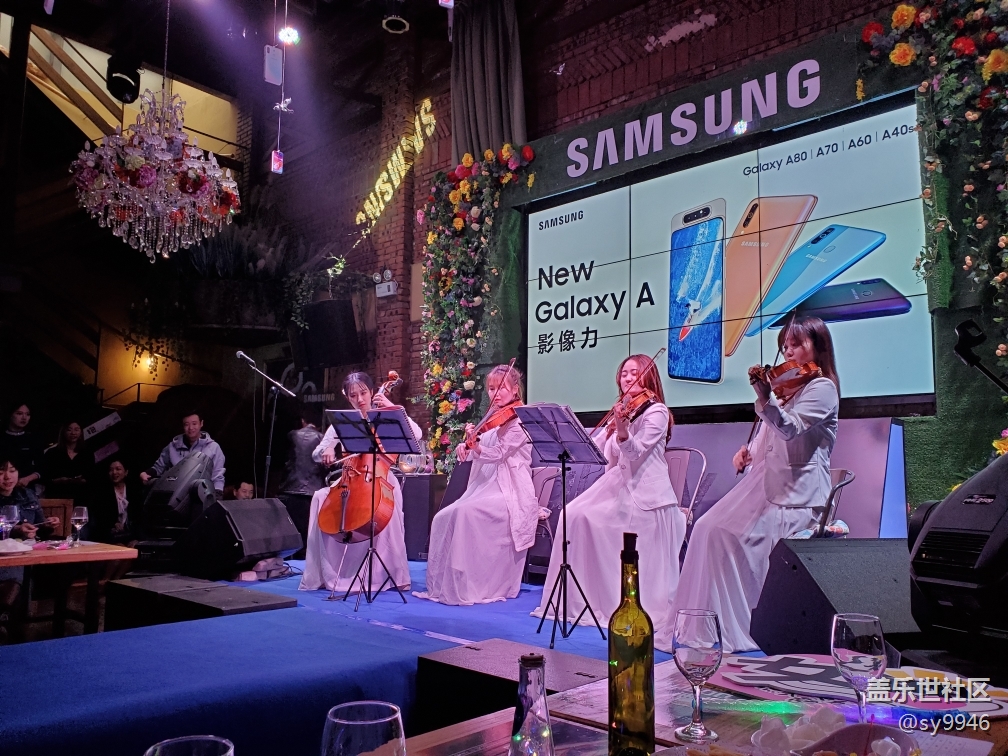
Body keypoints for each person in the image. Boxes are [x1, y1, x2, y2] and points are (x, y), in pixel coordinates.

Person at [660, 314, 840, 654]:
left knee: (725, 536)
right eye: (784, 345)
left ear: (818, 348)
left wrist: (766, 398)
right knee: (706, 528)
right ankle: (704, 624)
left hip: (795, 498)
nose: (788, 352)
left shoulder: (822, 388)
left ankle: (743, 624)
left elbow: (790, 429)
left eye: (796, 344)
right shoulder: (787, 391)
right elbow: (767, 441)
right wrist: (747, 453)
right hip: (764, 490)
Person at [531, 354, 686, 638]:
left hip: (646, 493)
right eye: (624, 373)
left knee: (599, 523)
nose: (628, 378)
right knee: (571, 515)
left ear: (649, 377)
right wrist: (608, 431)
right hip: (619, 484)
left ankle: (617, 602)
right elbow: (607, 458)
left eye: (635, 373)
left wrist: (623, 429)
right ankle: (582, 601)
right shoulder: (624, 410)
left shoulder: (657, 412)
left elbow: (635, 452)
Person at [415, 364, 537, 605]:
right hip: (485, 484)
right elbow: (477, 451)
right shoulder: (492, 417)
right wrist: (466, 446)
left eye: (502, 388)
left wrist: (478, 448)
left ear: (515, 390)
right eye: (491, 388)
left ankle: (475, 584)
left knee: (464, 513)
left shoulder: (521, 420)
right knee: (442, 517)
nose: (495, 393)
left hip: (510, 488)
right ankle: (446, 584)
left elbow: (499, 453)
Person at [299, 372, 419, 594]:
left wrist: (391, 406)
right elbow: (316, 454)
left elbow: (417, 434)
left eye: (363, 393)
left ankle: (388, 573)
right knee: (319, 497)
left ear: (371, 392)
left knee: (381, 502)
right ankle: (328, 572)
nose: (360, 399)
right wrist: (328, 449)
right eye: (353, 395)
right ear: (348, 397)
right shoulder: (343, 422)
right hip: (351, 478)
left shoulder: (386, 416)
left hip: (381, 478)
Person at [278, 409, 326, 560]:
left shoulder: (292, 435)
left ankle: (285, 563)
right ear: (319, 425)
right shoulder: (322, 439)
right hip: (311, 491)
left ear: (303, 421)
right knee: (307, 535)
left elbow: (283, 460)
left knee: (288, 533)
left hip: (289, 488)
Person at [140, 410, 225, 493]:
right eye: (186, 424)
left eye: (194, 424)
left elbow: (217, 475)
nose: (190, 428)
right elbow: (159, 467)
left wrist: (217, 493)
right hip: (173, 492)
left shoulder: (214, 447)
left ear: (201, 423)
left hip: (201, 493)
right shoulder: (172, 446)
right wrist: (147, 473)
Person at [0, 457, 60, 539]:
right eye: (0, 473)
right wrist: (17, 530)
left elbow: (40, 528)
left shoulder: (27, 494)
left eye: (12, 471)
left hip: (28, 544)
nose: (7, 477)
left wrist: (47, 524)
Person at [90, 459, 141, 544]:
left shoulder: (134, 491)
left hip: (131, 533)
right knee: (119, 547)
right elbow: (100, 518)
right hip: (110, 535)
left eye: (118, 469)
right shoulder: (102, 492)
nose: (114, 472)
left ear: (126, 472)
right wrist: (113, 524)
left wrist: (137, 538)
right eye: (111, 470)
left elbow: (139, 518)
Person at [42, 421, 93, 502]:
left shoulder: (87, 453)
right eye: (69, 430)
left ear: (81, 433)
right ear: (63, 432)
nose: (73, 433)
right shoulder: (52, 453)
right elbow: (44, 477)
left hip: (82, 497)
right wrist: (58, 481)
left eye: (76, 430)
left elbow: (92, 476)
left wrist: (82, 480)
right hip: (57, 496)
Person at [1, 401, 45, 491]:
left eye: (27, 414)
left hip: (26, 488)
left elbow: (42, 467)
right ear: (10, 415)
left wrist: (27, 479)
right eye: (19, 413)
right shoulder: (2, 438)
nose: (24, 417)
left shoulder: (33, 439)